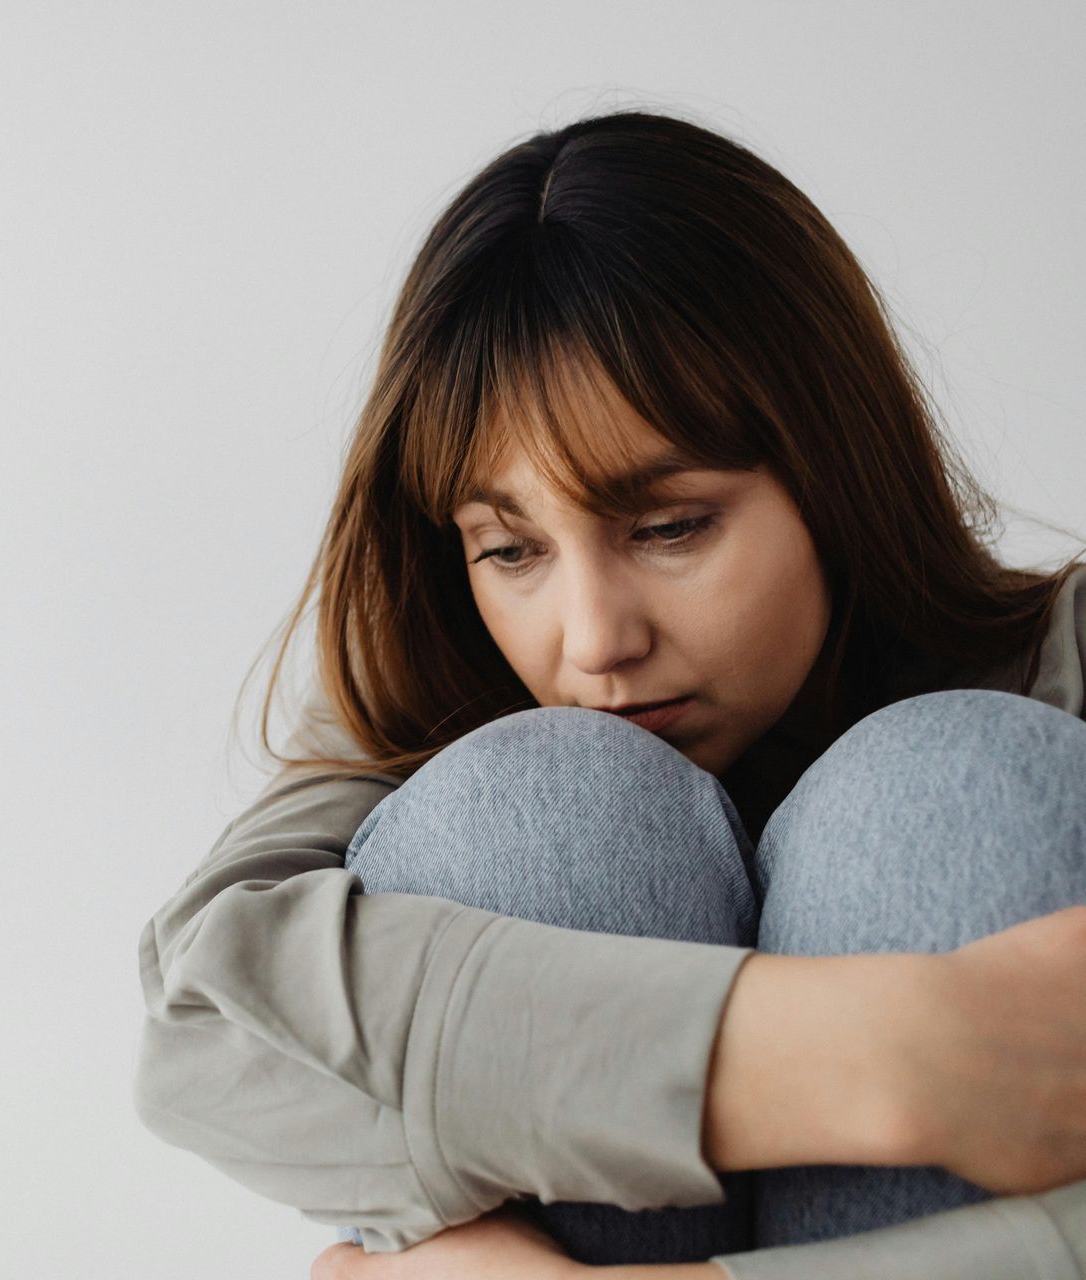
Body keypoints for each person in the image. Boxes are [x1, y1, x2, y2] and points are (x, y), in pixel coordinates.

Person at [132, 109, 1086, 1280]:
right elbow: (207, 1032)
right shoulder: (436, 703)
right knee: (539, 800)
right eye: (510, 549)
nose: (592, 641)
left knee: (951, 782)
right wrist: (895, 1051)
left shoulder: (1063, 661)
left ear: (835, 467)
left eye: (671, 525)